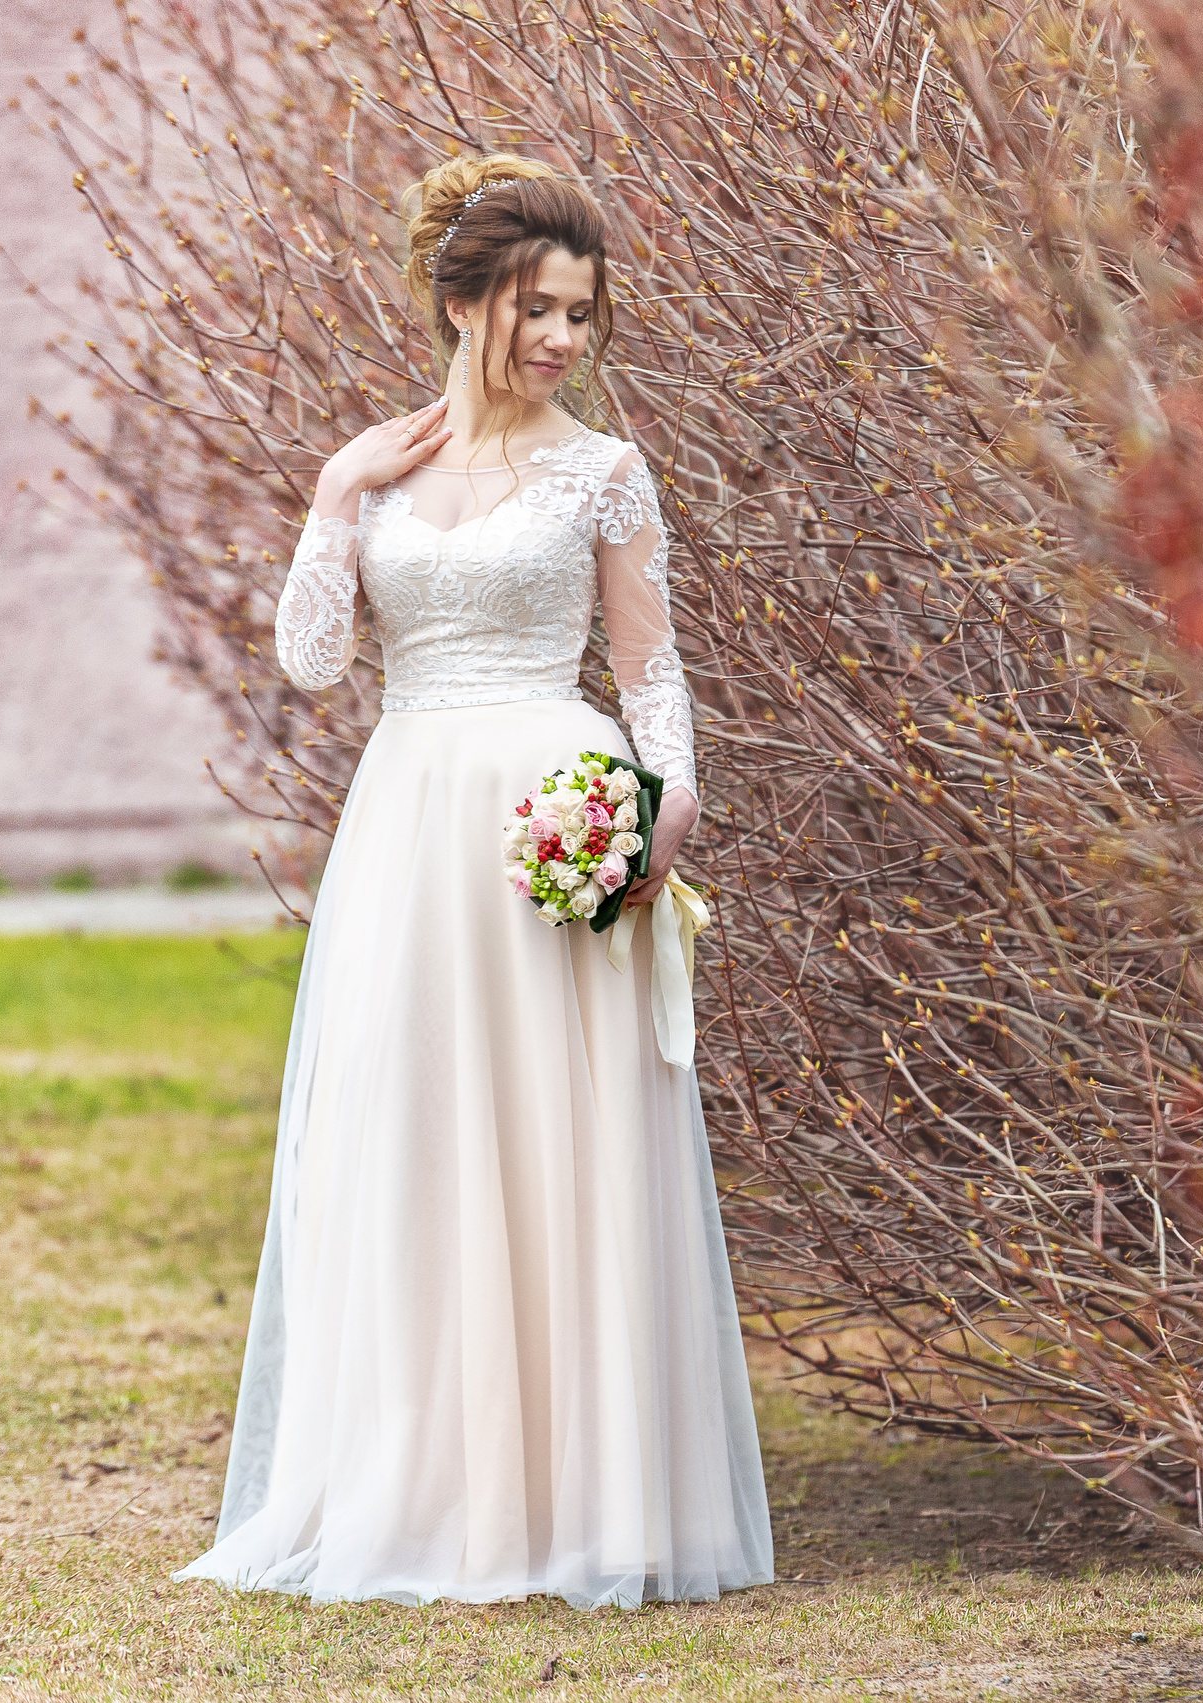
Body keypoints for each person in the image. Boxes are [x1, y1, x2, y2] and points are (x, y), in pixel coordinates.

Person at [172, 154, 776, 1608]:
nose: (563, 337)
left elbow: (649, 666)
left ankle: (578, 1500)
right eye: (535, 308)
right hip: (408, 822)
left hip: (552, 817)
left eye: (581, 312)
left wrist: (667, 807)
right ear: (462, 303)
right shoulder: (378, 471)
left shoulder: (605, 473)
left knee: (559, 1140)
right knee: (416, 1125)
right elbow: (313, 661)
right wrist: (333, 495)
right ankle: (425, 1483)